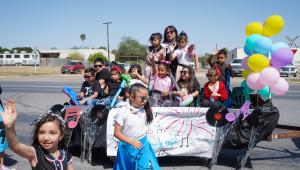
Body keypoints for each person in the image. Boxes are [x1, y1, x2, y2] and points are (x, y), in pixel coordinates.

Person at [0, 99, 73, 170]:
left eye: (52, 133)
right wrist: (9, 127)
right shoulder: (35, 153)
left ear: (61, 135)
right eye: (41, 132)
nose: (46, 138)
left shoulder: (65, 154)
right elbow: (15, 146)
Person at [113, 83, 160, 170]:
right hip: (127, 146)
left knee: (145, 167)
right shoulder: (123, 111)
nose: (145, 101)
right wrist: (131, 142)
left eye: (147, 98)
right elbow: (116, 133)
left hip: (143, 144)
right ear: (131, 96)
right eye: (142, 98)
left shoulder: (145, 110)